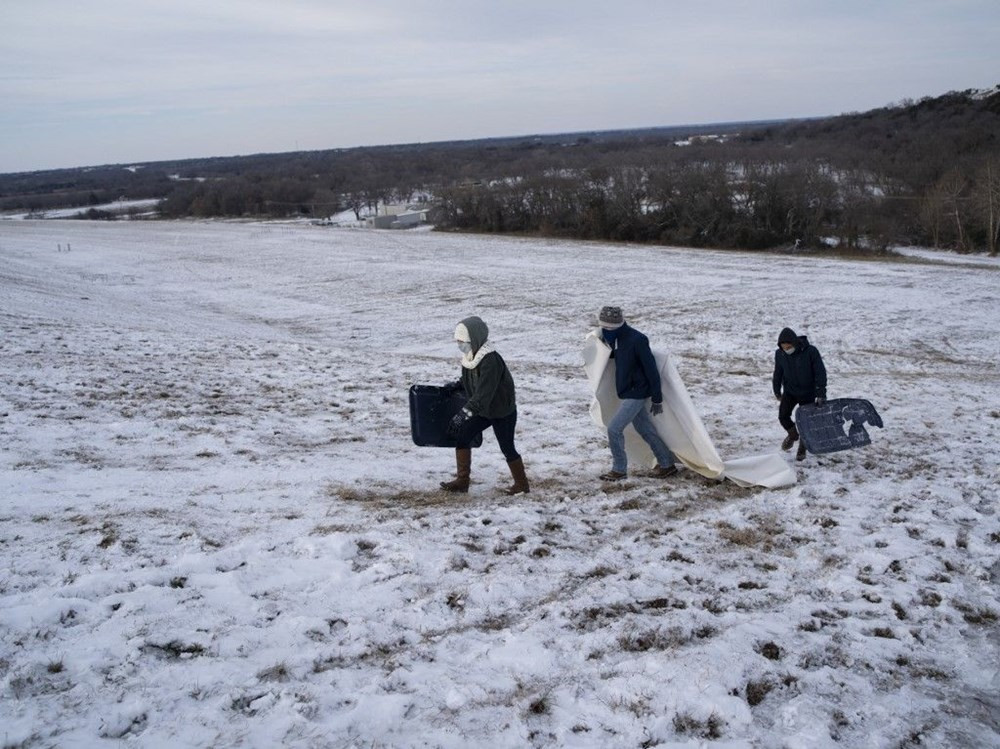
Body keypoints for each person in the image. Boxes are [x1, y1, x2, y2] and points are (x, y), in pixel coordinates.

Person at [439, 316, 529, 495]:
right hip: (483, 409)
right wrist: (457, 386)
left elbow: (483, 393)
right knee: (463, 436)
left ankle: (522, 485)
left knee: (507, 447)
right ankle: (462, 481)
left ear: (475, 338)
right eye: (458, 340)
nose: (459, 344)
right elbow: (471, 380)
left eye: (462, 341)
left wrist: (463, 414)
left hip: (502, 411)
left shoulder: (490, 360)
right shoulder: (470, 356)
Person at [596, 306, 678, 481]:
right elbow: (616, 357)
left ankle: (619, 470)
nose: (607, 331)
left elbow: (651, 370)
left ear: (619, 324)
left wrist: (656, 398)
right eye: (604, 327)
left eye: (610, 328)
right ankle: (667, 464)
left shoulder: (637, 339)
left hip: (637, 392)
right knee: (645, 429)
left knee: (614, 429)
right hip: (626, 391)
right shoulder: (613, 338)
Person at [772, 327, 827, 461]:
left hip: (808, 392)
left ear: (795, 343)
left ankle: (803, 445)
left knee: (805, 421)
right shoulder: (780, 354)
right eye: (784, 347)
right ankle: (793, 435)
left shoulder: (810, 352)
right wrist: (777, 390)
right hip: (790, 391)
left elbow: (820, 372)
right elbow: (778, 372)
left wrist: (821, 392)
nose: (787, 349)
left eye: (789, 347)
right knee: (783, 416)